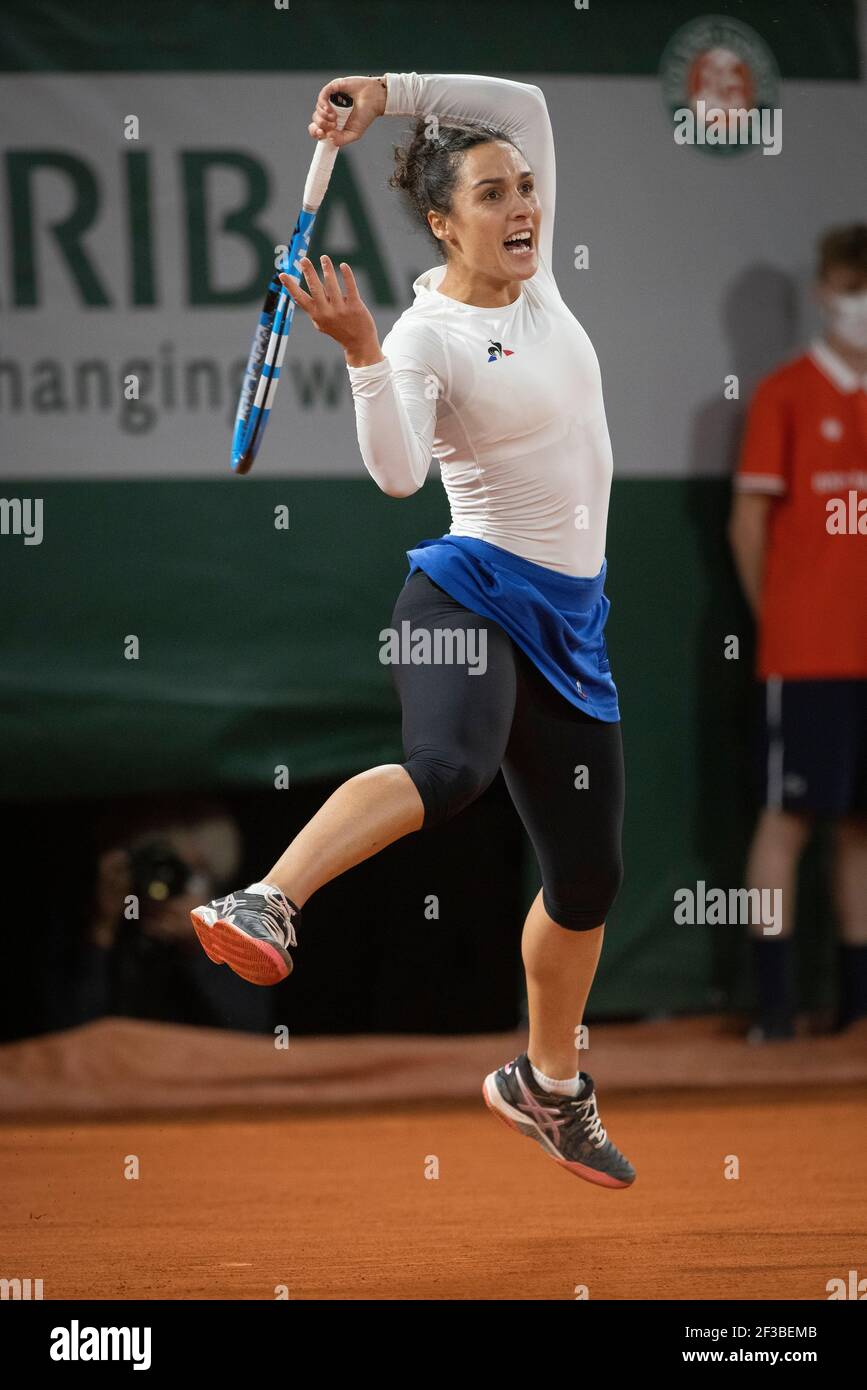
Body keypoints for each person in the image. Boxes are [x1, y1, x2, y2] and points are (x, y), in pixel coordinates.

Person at [191, 72, 634, 1188]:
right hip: (468, 595)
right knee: (450, 767)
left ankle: (547, 1086)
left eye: (525, 188)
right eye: (493, 195)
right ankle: (269, 898)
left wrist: (387, 93)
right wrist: (361, 356)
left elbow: (525, 99)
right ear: (445, 222)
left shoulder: (538, 283)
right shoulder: (427, 333)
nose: (522, 206)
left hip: (572, 622)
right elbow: (397, 477)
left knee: (587, 881)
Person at [729, 223, 867, 1041]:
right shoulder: (783, 394)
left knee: (861, 826)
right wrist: (775, 618)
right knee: (785, 820)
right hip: (806, 653)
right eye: (851, 288)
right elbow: (747, 527)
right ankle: (773, 1011)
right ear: (823, 291)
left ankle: (855, 1008)